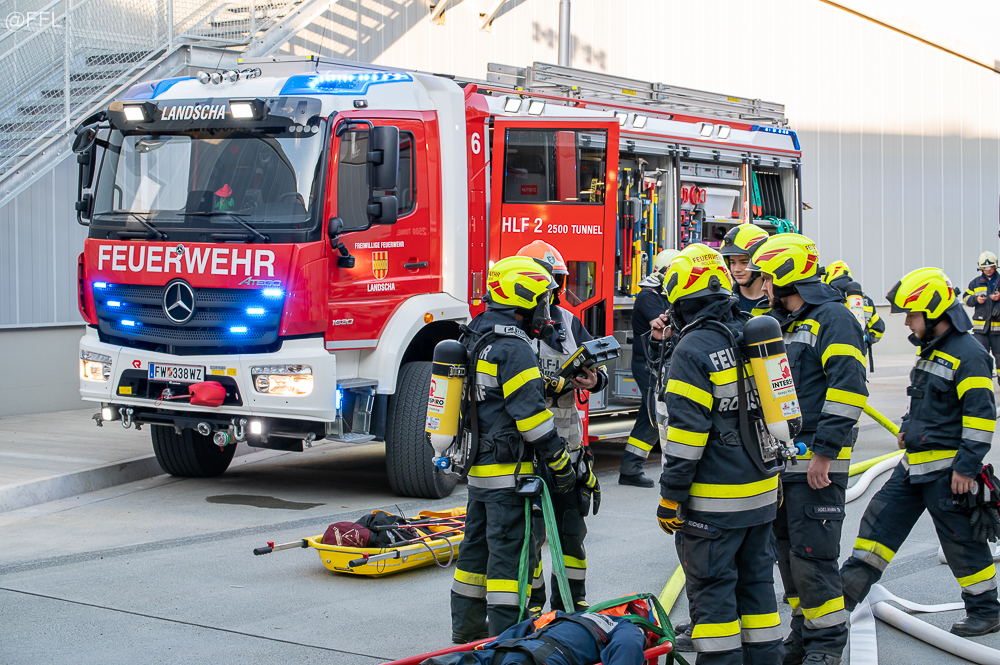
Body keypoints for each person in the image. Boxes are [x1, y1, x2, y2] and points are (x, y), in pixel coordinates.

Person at [841, 267, 1000, 637]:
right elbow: (924, 401)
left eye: (911, 315)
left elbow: (981, 417)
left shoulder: (970, 355)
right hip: (913, 466)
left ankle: (986, 611)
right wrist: (907, 427)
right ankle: (838, 603)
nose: (906, 322)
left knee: (962, 543)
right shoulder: (933, 350)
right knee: (877, 528)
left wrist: (966, 468)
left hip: (948, 472)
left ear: (933, 312)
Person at [656, 243, 784, 665]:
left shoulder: (693, 350)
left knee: (713, 604)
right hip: (762, 493)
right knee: (758, 593)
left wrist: (671, 497)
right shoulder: (752, 333)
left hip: (714, 504)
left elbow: (687, 438)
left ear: (681, 300)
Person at [748, 234, 868, 665]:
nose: (762, 285)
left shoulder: (834, 319)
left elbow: (849, 390)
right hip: (782, 465)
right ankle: (802, 636)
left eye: (766, 277)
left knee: (814, 557)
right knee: (789, 556)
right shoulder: (780, 322)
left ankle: (826, 646)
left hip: (818, 463)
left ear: (786, 275)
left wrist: (825, 454)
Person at [450, 256, 577, 643]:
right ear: (523, 299)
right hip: (509, 473)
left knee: (474, 552)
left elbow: (493, 397)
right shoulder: (513, 347)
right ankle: (507, 641)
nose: (546, 309)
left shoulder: (475, 335)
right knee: (510, 556)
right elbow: (532, 419)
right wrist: (560, 462)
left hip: (478, 469)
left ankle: (467, 629)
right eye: (543, 300)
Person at [516, 240, 604, 615]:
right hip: (525, 453)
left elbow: (596, 369)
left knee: (571, 531)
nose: (549, 289)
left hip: (568, 452)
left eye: (555, 280)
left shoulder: (569, 323)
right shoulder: (511, 328)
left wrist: (593, 380)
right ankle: (533, 608)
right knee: (531, 534)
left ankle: (572, 605)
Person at [620, 249, 678, 488]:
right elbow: (665, 327)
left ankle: (631, 468)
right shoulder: (648, 296)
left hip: (656, 363)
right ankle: (631, 468)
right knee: (655, 413)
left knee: (651, 413)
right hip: (648, 364)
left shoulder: (662, 294)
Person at [423, 609, 647, 665]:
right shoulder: (626, 628)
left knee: (459, 661)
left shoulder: (569, 615)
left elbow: (526, 626)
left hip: (511, 651)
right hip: (534, 656)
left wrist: (494, 645)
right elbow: (627, 649)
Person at [821, 260, 885, 345]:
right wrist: (865, 339)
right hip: (858, 351)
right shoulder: (865, 301)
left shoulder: (824, 301)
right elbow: (879, 330)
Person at [719, 223, 771, 316]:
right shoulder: (723, 302)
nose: (736, 269)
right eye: (732, 262)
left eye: (744, 262)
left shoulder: (777, 303)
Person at [964, 251, 1000, 374]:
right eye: (985, 268)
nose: (988, 270)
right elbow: (966, 298)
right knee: (981, 356)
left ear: (995, 266)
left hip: (998, 329)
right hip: (981, 330)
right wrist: (976, 299)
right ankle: (985, 378)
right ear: (980, 268)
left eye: (990, 268)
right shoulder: (975, 283)